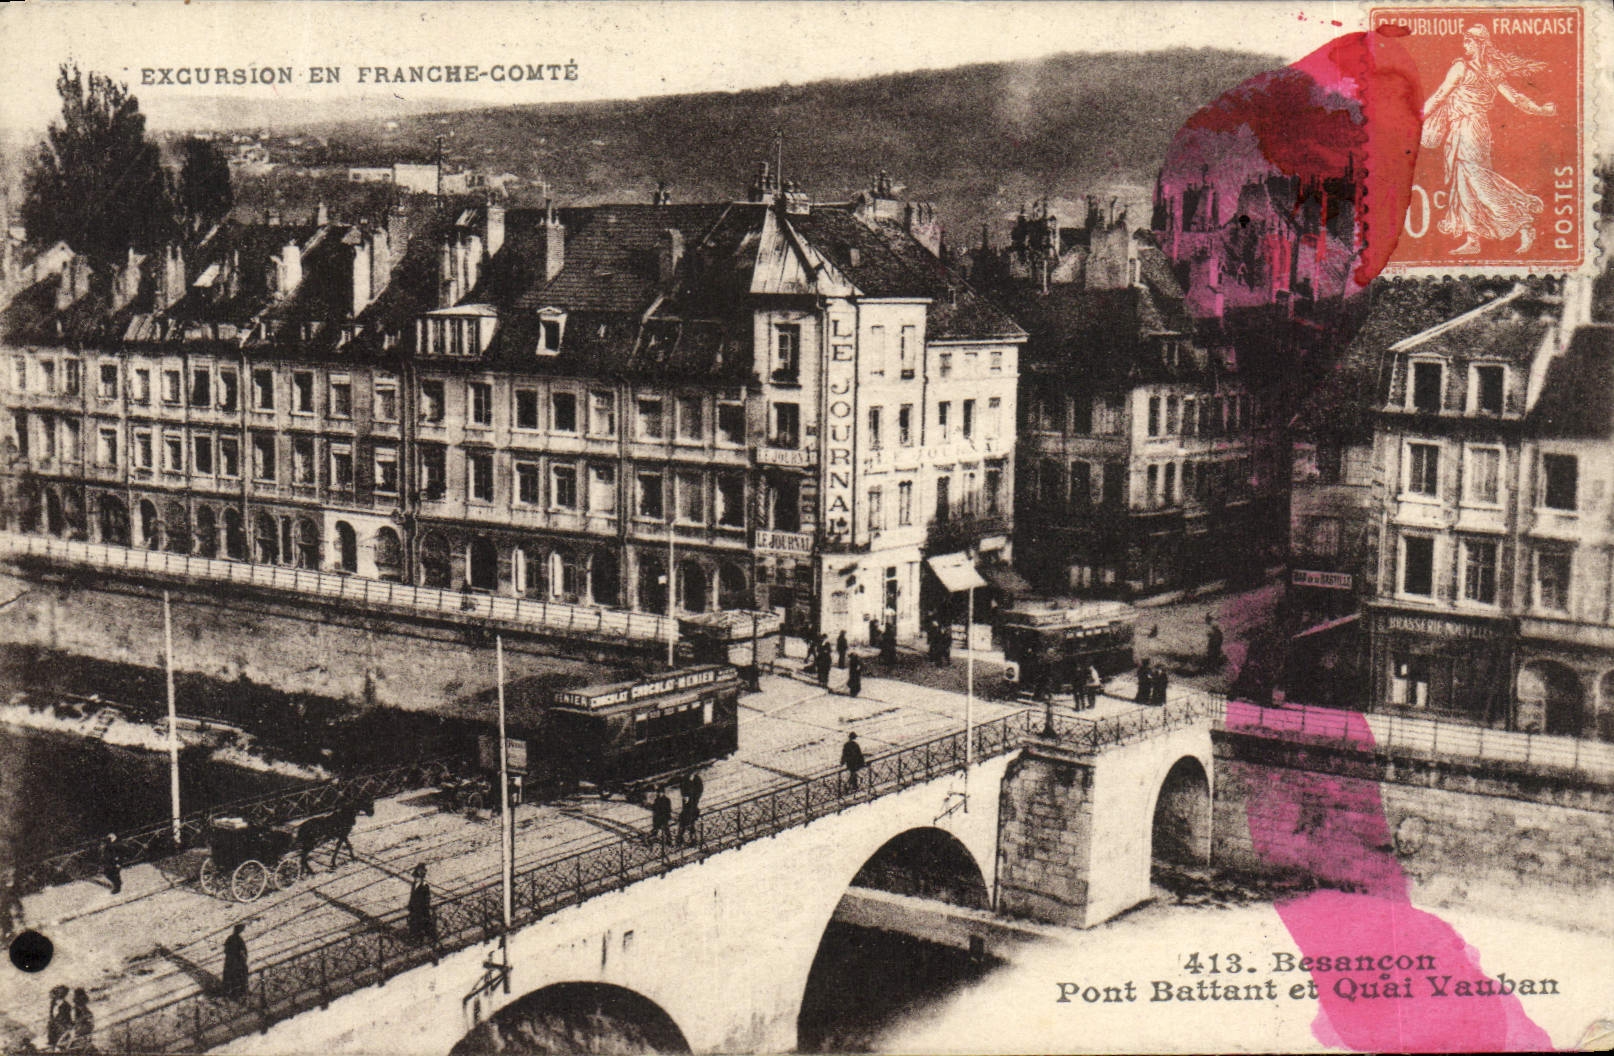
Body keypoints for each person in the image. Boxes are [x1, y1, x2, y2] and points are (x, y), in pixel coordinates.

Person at [1421, 24, 1557, 256]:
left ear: (1479, 44)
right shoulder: (1491, 70)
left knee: (1475, 179)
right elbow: (1515, 98)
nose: (1465, 46)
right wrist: (1540, 109)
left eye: (1468, 42)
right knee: (1465, 181)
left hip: (1467, 128)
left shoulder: (1461, 67)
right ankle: (1473, 239)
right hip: (1475, 128)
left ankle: (1522, 219)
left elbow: (1440, 95)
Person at [407, 863, 436, 944]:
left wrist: (424, 908)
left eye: (417, 878)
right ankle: (418, 939)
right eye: (415, 877)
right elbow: (412, 895)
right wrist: (410, 904)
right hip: (414, 909)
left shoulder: (424, 886)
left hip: (422, 910)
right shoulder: (414, 884)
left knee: (424, 924)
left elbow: (427, 899)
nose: (415, 879)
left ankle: (429, 938)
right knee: (416, 924)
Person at [222, 923, 248, 1000]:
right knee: (239, 977)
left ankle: (229, 992)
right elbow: (243, 952)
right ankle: (238, 994)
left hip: (230, 962)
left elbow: (225, 950)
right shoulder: (239, 940)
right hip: (238, 963)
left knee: (230, 977)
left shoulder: (229, 938)